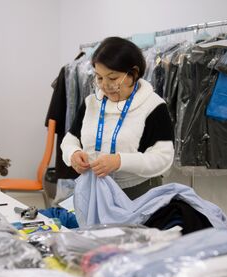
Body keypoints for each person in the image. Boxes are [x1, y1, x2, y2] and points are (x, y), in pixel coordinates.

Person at [61, 37, 175, 200]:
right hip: (93, 192)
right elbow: (70, 140)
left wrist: (120, 161)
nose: (105, 85)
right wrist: (73, 154)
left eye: (112, 78)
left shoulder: (154, 106)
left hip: (138, 195)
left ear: (133, 73)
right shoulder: (92, 103)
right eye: (99, 78)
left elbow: (163, 158)